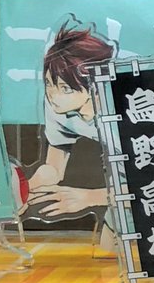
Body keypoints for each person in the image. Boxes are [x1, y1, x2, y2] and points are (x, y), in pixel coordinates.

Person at [20, 25, 118, 249]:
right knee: (108, 252)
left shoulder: (124, 114)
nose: (53, 95)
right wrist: (23, 192)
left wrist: (90, 198)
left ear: (95, 87)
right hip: (121, 192)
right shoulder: (58, 108)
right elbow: (53, 169)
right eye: (49, 84)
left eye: (65, 88)